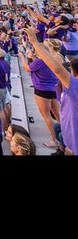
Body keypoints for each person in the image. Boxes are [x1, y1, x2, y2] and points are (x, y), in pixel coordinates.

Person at [24, 27, 78, 156]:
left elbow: (58, 70)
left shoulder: (75, 86)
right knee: (57, 126)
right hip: (69, 137)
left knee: (49, 116)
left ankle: (59, 144)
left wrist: (35, 43)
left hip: (73, 143)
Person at [25, 44, 60, 150]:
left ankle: (54, 139)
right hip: (54, 88)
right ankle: (65, 135)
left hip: (42, 89)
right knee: (58, 115)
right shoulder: (51, 59)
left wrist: (23, 58)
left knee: (46, 115)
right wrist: (32, 57)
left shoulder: (38, 62)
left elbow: (27, 68)